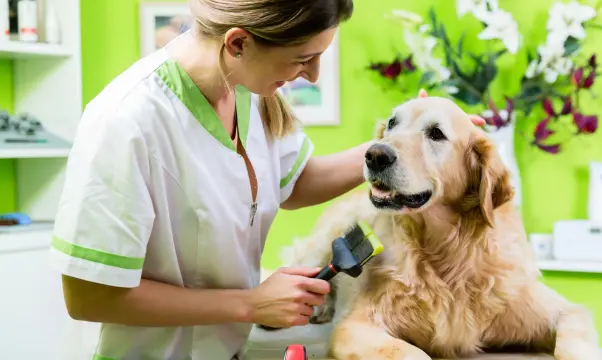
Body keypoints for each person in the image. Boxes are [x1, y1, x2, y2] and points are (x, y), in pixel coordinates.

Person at [49, 0, 486, 359]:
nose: (313, 75)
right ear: (238, 43)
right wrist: (249, 303)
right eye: (303, 59)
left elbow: (295, 183)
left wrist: (398, 151)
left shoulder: (246, 92)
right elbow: (89, 297)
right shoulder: (126, 123)